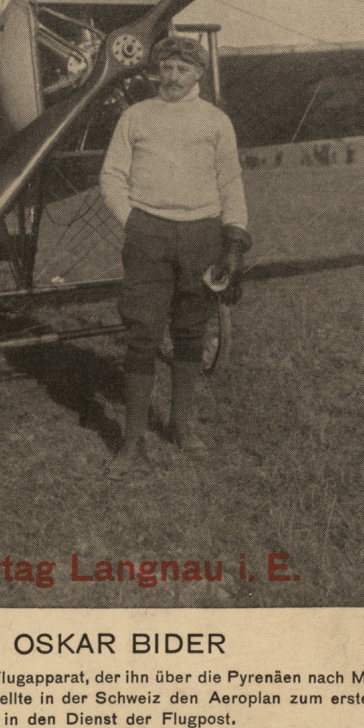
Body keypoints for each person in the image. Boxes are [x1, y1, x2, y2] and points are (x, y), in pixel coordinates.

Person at [99, 34, 251, 477]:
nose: (172, 76)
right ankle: (130, 443)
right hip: (149, 233)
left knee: (189, 333)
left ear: (199, 74)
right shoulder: (136, 116)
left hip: (203, 233)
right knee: (143, 334)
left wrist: (235, 241)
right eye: (165, 67)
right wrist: (132, 221)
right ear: (156, 70)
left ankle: (182, 428)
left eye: (182, 69)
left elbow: (231, 183)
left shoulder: (216, 121)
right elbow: (111, 174)